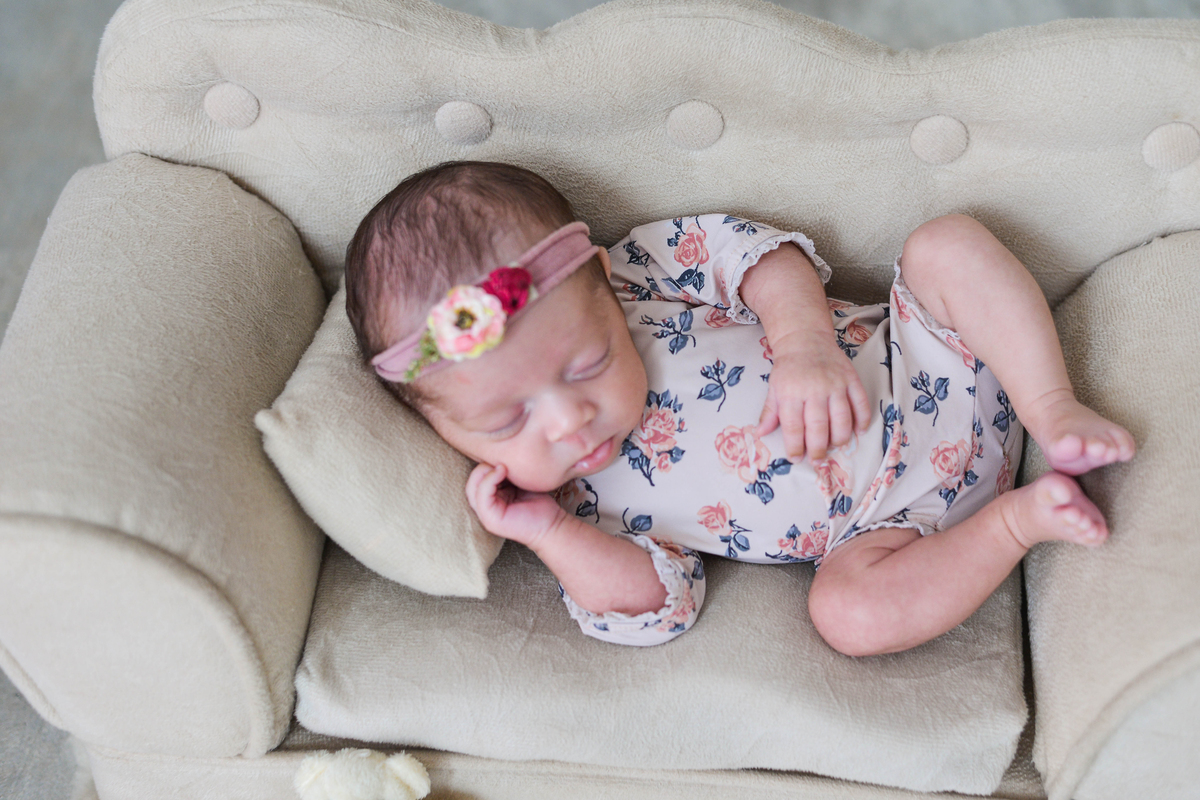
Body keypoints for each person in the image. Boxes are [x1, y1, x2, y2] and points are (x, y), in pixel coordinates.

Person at [345, 160, 1135, 655]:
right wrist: (547, 533)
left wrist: (804, 345)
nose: (566, 420)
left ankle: (1052, 407)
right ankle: (1018, 522)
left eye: (588, 364)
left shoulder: (636, 276)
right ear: (437, 425)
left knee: (945, 245)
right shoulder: (574, 509)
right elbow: (659, 603)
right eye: (506, 422)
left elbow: (758, 254)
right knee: (849, 619)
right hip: (896, 529)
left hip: (930, 354)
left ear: (600, 282)